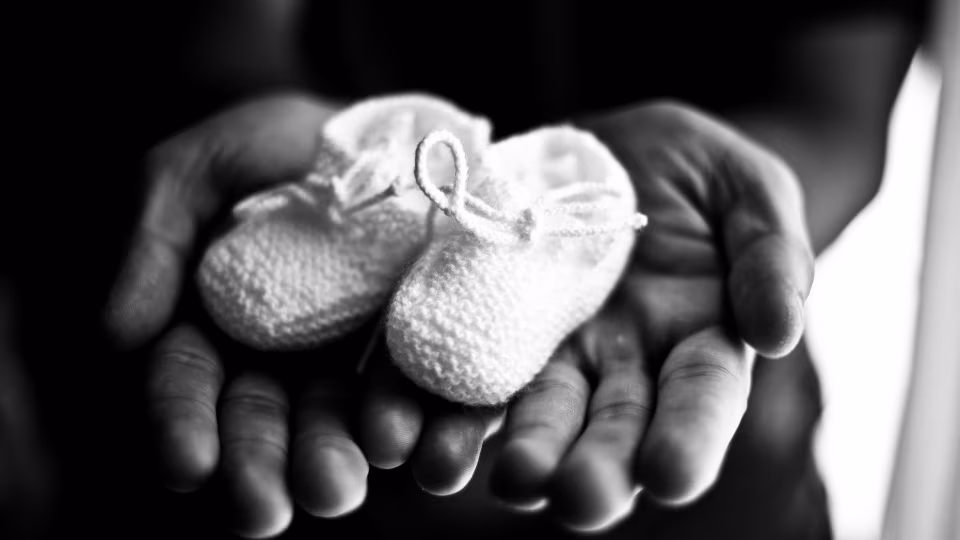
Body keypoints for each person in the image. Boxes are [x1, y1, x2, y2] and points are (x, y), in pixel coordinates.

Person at [7, 0, 930, 539]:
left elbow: (833, 107)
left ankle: (551, 227)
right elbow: (227, 31)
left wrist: (728, 201)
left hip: (715, 489)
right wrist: (242, 96)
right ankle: (403, 188)